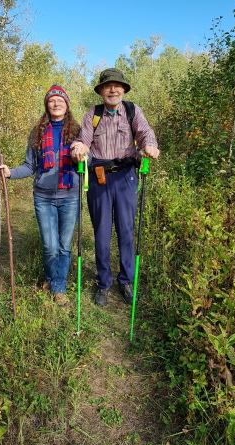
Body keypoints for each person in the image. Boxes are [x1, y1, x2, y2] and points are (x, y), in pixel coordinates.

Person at [71, 68, 160, 307]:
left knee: (126, 230)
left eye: (117, 86)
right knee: (101, 232)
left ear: (123, 89)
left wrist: (150, 146)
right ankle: (103, 282)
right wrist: (78, 148)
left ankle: (126, 280)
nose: (113, 89)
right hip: (99, 177)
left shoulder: (132, 111)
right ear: (100, 91)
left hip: (126, 176)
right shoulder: (93, 114)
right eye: (108, 86)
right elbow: (83, 140)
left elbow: (145, 133)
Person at [0, 84, 82, 307]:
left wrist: (84, 159)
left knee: (64, 246)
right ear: (46, 104)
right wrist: (9, 172)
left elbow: (86, 160)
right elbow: (29, 165)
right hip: (43, 197)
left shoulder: (78, 132)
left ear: (67, 104)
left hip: (70, 196)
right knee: (49, 246)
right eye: (51, 100)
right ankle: (51, 279)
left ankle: (58, 285)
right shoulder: (38, 132)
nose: (56, 103)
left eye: (60, 100)